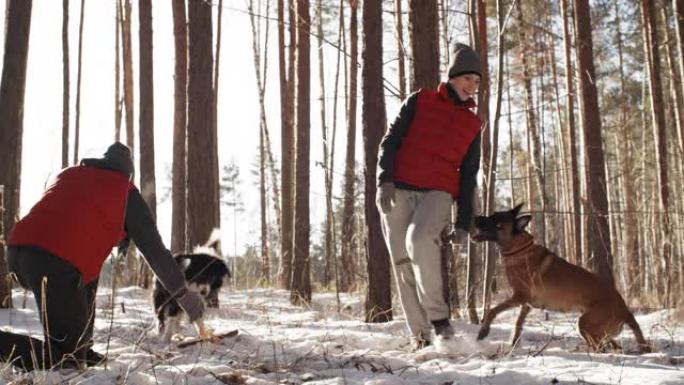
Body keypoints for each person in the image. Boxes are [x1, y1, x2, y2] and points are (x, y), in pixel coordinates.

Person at [0, 142, 205, 370]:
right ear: (127, 174)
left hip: (16, 251)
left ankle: (81, 347)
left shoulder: (69, 174)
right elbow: (156, 252)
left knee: (82, 287)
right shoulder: (124, 191)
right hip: (53, 261)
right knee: (67, 360)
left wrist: (84, 343)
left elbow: (83, 274)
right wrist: (183, 294)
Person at [376, 43, 482, 349]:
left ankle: (439, 321)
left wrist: (463, 223)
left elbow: (468, 176)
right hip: (398, 187)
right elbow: (390, 141)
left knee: (420, 239)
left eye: (477, 82)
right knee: (402, 260)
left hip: (438, 192)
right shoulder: (419, 101)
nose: (471, 86)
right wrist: (384, 180)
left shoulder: (473, 125)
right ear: (452, 76)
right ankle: (421, 337)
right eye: (467, 78)